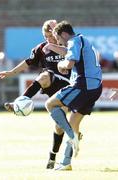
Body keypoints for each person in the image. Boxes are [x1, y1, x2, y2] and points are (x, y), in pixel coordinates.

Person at [0, 20, 82, 169]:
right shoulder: (42, 48)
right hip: (51, 81)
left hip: (68, 85)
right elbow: (28, 62)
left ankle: (53, 156)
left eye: (50, 36)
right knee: (44, 76)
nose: (48, 39)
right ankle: (20, 102)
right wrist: (11, 72)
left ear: (57, 34)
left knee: (59, 126)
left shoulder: (69, 45)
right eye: (45, 36)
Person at [45, 20, 102, 170]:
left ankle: (72, 136)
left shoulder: (73, 41)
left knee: (50, 104)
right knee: (73, 123)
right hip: (96, 87)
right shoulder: (83, 40)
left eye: (58, 39)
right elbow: (68, 52)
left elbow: (69, 63)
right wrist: (52, 46)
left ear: (64, 34)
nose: (60, 43)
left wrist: (60, 65)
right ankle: (66, 162)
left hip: (83, 85)